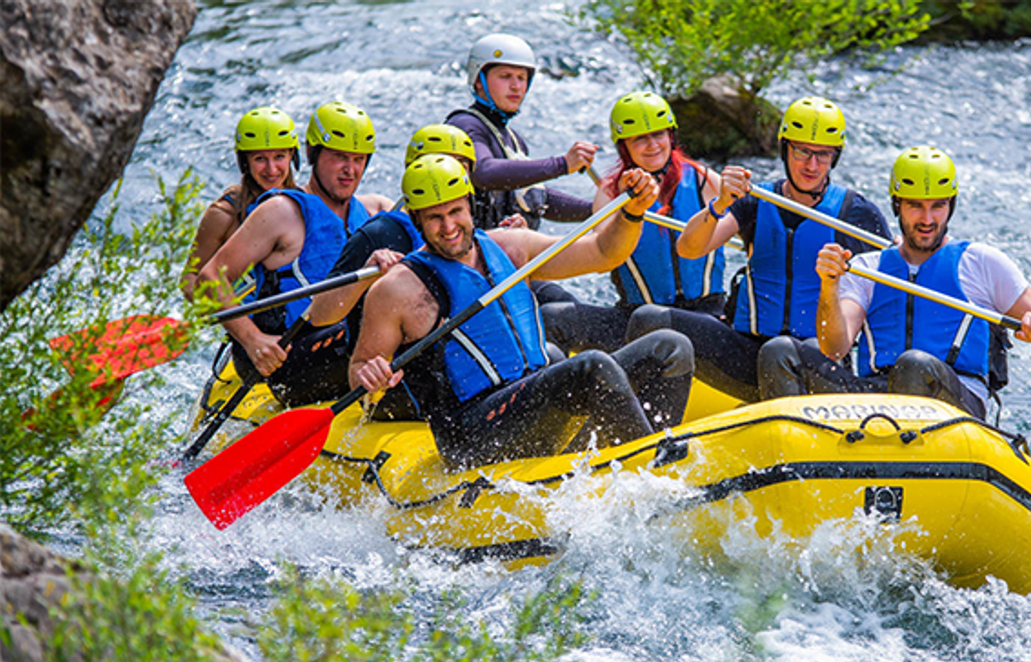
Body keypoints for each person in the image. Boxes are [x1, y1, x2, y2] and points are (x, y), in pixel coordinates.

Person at [349, 154, 695, 470]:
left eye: (455, 212)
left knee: (670, 346)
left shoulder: (510, 247)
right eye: (434, 218)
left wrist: (632, 212)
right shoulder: (397, 289)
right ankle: (655, 477)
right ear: (416, 220)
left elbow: (604, 252)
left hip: (532, 405)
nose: (449, 226)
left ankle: (640, 465)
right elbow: (360, 370)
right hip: (472, 433)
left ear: (470, 204)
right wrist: (371, 379)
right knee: (591, 367)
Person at [769, 145, 1031, 418]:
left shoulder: (983, 263)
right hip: (875, 402)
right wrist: (829, 285)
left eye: (937, 206)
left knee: (915, 366)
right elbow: (835, 347)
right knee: (781, 352)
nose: (927, 219)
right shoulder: (867, 268)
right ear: (896, 205)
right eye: (915, 206)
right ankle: (794, 451)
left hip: (952, 404)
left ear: (951, 205)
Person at [626, 96, 891, 402]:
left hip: (814, 362)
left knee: (780, 351)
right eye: (802, 151)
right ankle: (642, 421)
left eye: (823, 155)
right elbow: (689, 248)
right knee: (649, 319)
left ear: (835, 157)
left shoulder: (858, 215)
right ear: (784, 149)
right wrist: (721, 203)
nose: (812, 165)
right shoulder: (756, 199)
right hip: (748, 353)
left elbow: (892, 286)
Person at [197, 101, 392, 407]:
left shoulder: (372, 210)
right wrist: (252, 339)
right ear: (312, 154)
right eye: (339, 157)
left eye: (359, 159)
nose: (350, 170)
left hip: (339, 348)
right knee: (356, 327)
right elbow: (208, 278)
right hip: (287, 356)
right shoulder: (281, 211)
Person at [541, 91, 726, 353]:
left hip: (705, 318)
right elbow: (603, 256)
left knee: (656, 319)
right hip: (635, 321)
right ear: (624, 146)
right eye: (639, 138)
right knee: (553, 317)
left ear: (671, 136)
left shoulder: (704, 180)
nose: (652, 145)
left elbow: (752, 232)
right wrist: (627, 209)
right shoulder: (610, 194)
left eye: (658, 134)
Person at [308, 123, 493, 346]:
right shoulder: (380, 234)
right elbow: (319, 315)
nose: (444, 177)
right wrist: (367, 274)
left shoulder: (470, 229)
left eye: (457, 167)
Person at [445, 33, 596, 233]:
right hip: (464, 246)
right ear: (479, 81)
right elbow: (483, 173)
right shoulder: (464, 125)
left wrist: (594, 210)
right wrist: (562, 164)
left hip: (498, 247)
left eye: (522, 78)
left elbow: (540, 199)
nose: (516, 86)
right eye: (505, 76)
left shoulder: (515, 141)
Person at [181, 106, 300, 300]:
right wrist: (223, 306)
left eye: (279, 157)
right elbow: (190, 277)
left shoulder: (307, 208)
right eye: (260, 159)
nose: (271, 169)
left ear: (292, 156)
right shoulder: (223, 215)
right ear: (245, 162)